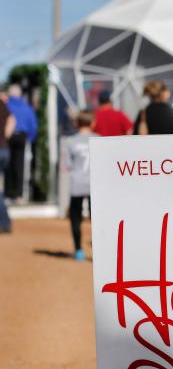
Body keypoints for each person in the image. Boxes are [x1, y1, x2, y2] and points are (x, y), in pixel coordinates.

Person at [63, 111, 96, 261]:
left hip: (77, 183)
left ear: (77, 123)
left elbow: (68, 165)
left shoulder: (70, 141)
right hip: (94, 185)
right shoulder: (99, 139)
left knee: (76, 217)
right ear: (92, 123)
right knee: (96, 219)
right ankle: (99, 250)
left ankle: (78, 250)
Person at [4, 84, 38, 202]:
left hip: (7, 137)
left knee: (8, 165)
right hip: (22, 137)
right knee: (20, 165)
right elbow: (33, 126)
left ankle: (8, 194)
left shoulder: (6, 105)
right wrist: (30, 139)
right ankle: (18, 194)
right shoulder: (27, 107)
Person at [0, 95, 14, 233]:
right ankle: (5, 222)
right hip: (4, 149)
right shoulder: (3, 104)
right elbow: (12, 120)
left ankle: (5, 222)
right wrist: (5, 137)